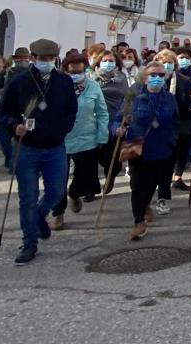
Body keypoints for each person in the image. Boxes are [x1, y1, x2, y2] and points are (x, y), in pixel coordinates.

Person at [0, 39, 77, 265]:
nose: (47, 62)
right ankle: (29, 242)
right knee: (28, 197)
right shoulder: (18, 82)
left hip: (55, 146)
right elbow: (4, 113)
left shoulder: (63, 81)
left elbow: (71, 110)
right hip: (27, 148)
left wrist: (62, 130)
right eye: (43, 59)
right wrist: (15, 126)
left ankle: (38, 218)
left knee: (56, 192)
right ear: (33, 58)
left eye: (51, 59)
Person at [49, 54, 109, 230]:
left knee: (83, 176)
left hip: (87, 138)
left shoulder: (93, 87)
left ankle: (74, 194)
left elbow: (102, 112)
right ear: (65, 71)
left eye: (79, 71)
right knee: (58, 179)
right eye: (72, 72)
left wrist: (102, 135)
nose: (76, 75)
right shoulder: (56, 87)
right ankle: (58, 213)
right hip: (61, 138)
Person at [120, 62, 179, 240]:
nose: (157, 78)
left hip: (163, 149)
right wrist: (118, 128)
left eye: (161, 75)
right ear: (144, 78)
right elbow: (119, 118)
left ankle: (146, 204)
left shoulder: (169, 98)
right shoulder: (134, 97)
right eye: (153, 75)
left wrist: (172, 141)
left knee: (153, 183)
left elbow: (175, 121)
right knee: (137, 186)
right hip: (139, 148)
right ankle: (139, 221)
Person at [153, 49, 191, 210]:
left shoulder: (184, 80)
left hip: (179, 124)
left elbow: (190, 100)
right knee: (157, 163)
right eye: (164, 62)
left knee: (170, 160)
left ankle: (163, 196)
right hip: (156, 126)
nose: (167, 66)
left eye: (170, 63)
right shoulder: (151, 79)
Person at [90, 51, 132, 195]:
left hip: (114, 121)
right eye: (104, 60)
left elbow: (127, 99)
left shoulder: (121, 79)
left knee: (109, 157)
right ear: (98, 62)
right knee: (92, 156)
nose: (108, 63)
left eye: (111, 61)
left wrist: (122, 119)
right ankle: (91, 187)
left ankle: (110, 176)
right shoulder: (91, 78)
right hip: (94, 121)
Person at [0, 48, 31, 170]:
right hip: (7, 110)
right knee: (4, 139)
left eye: (25, 58)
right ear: (15, 59)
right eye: (20, 58)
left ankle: (15, 162)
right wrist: (0, 91)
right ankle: (10, 158)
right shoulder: (7, 72)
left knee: (23, 139)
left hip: (27, 111)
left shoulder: (34, 72)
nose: (23, 60)